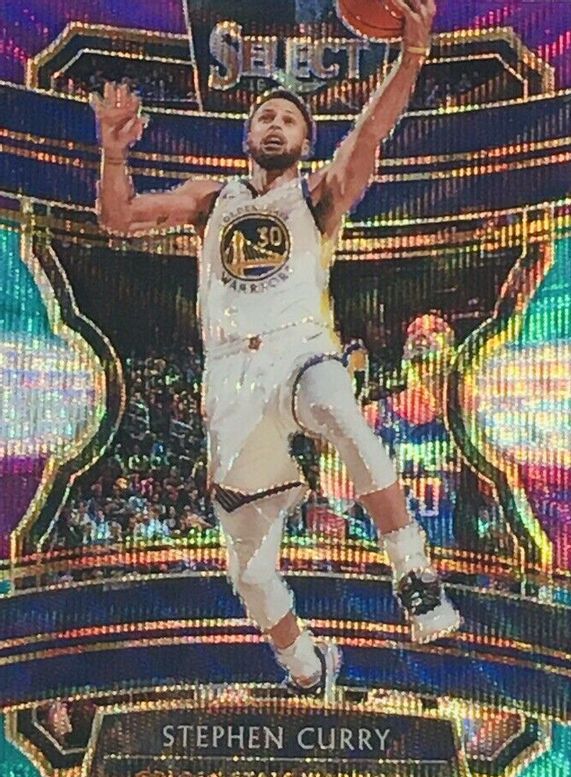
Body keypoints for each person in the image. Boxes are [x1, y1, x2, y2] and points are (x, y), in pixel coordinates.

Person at [92, 0, 459, 701]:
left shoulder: (319, 197)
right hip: (231, 377)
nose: (275, 123)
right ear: (247, 135)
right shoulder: (211, 199)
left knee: (341, 410)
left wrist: (411, 58)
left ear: (304, 140)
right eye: (266, 115)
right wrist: (113, 152)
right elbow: (118, 218)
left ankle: (413, 570)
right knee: (251, 573)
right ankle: (306, 666)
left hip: (299, 351)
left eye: (289, 119)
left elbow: (370, 131)